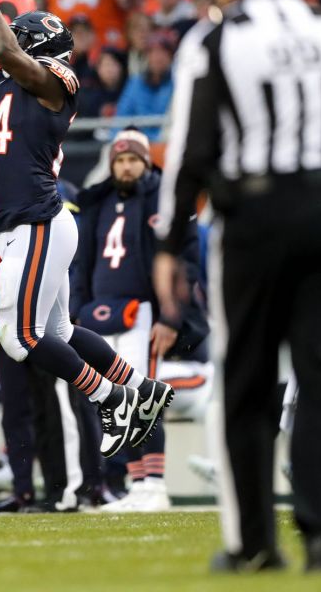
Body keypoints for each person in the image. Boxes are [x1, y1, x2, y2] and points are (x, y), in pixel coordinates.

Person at [153, 0, 321, 572]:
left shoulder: (216, 39)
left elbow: (192, 150)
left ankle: (254, 544)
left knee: (247, 382)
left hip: (254, 219)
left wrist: (169, 242)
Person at [0, 0, 174, 463]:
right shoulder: (3, 88)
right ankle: (140, 388)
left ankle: (113, 399)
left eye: (19, 43)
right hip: (27, 223)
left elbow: (3, 52)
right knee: (58, 334)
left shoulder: (57, 82)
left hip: (38, 220)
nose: (6, 50)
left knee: (18, 337)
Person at [71, 129, 208, 512]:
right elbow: (84, 262)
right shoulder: (98, 201)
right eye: (120, 160)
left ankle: (155, 484)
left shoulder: (164, 198)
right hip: (100, 312)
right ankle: (138, 482)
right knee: (115, 403)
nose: (126, 166)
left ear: (146, 162)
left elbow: (186, 261)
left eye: (133, 159)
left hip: (144, 311)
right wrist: (79, 310)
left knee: (141, 396)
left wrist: (169, 316)